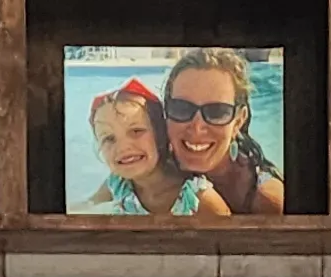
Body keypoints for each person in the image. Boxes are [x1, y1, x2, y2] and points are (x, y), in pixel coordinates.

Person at [160, 48, 284, 216]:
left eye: (217, 112)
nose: (197, 127)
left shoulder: (265, 200)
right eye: (181, 109)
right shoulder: (148, 169)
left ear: (238, 121)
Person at [82, 81, 225, 217]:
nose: (123, 147)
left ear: (160, 134)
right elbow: (82, 209)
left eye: (136, 131)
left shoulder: (199, 200)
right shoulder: (117, 185)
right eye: (108, 138)